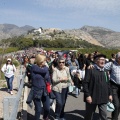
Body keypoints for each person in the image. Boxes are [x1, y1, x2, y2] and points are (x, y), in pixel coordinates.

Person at [83, 54, 112, 120]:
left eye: (104, 60)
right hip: (92, 96)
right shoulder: (91, 70)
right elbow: (85, 83)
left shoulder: (105, 71)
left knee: (104, 115)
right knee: (89, 115)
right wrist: (87, 95)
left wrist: (110, 94)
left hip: (103, 97)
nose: (103, 61)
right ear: (96, 61)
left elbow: (108, 83)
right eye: (101, 60)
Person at [30, 54, 51, 120]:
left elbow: (48, 78)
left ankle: (45, 117)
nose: (45, 62)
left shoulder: (45, 68)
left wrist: (49, 85)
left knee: (47, 108)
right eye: (44, 60)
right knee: (38, 110)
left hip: (45, 90)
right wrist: (46, 69)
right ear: (40, 60)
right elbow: (44, 71)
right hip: (36, 91)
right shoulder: (34, 67)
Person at [104, 52, 120, 120]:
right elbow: (102, 68)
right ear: (117, 58)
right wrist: (92, 66)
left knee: (119, 105)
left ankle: (114, 117)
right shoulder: (111, 64)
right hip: (114, 86)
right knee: (116, 105)